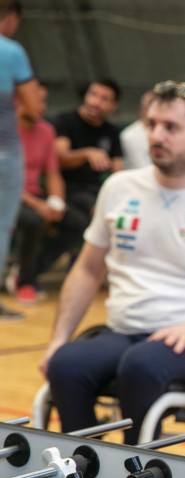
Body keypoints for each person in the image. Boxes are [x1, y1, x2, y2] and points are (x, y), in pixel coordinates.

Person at [40, 81, 185, 445]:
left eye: (171, 127)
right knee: (66, 364)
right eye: (151, 124)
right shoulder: (119, 187)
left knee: (141, 364)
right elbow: (86, 269)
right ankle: (82, 471)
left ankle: (138, 476)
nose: (156, 136)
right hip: (121, 331)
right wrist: (57, 341)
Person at [48, 77, 123, 274]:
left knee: (115, 213)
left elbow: (118, 170)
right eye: (93, 94)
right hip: (66, 189)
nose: (96, 102)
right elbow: (59, 157)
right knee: (94, 215)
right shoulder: (64, 121)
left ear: (113, 106)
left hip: (95, 190)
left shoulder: (111, 132)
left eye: (104, 98)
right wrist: (86, 153)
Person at [0, 0, 41, 321]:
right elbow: (34, 106)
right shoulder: (11, 51)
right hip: (5, 152)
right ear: (11, 18)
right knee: (1, 227)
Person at [11, 83, 66, 305]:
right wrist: (38, 206)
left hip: (35, 196)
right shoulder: (6, 131)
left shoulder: (46, 131)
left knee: (75, 222)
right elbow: (7, 182)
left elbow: (53, 173)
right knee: (32, 221)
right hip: (9, 197)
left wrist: (56, 202)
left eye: (45, 101)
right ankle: (25, 282)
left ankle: (27, 268)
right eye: (38, 100)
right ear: (18, 100)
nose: (42, 106)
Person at [120, 89, 155, 170]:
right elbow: (142, 169)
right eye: (149, 105)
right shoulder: (129, 136)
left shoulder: (164, 133)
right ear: (141, 109)